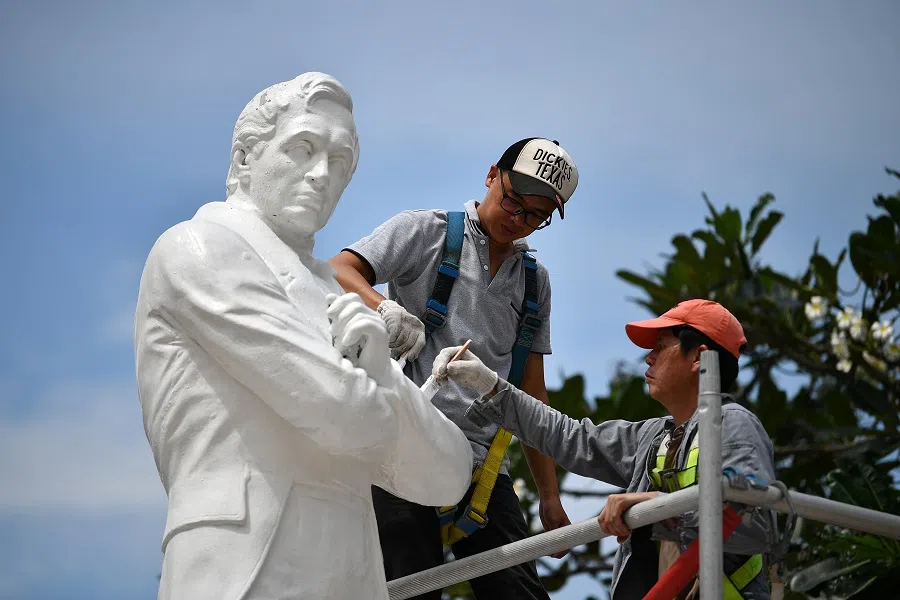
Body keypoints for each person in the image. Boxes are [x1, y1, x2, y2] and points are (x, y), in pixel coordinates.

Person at [133, 72, 474, 600]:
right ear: (246, 157)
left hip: (353, 571)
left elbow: (448, 474)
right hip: (245, 566)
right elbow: (343, 414)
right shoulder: (199, 250)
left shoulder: (333, 297)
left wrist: (379, 369)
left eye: (341, 162)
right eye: (303, 148)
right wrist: (377, 388)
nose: (322, 175)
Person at [329, 137, 579, 599]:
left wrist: (548, 495)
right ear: (491, 175)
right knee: (409, 587)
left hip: (482, 469)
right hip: (405, 444)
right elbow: (341, 268)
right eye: (512, 201)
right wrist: (383, 308)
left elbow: (532, 394)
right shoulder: (427, 233)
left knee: (518, 592)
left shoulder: (532, 283)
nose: (517, 219)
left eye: (534, 217)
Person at [434, 299, 778, 599]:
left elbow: (751, 522)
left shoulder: (732, 424)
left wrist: (654, 506)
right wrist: (489, 384)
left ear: (698, 359)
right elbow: (572, 438)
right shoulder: (656, 437)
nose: (649, 357)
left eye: (662, 345)